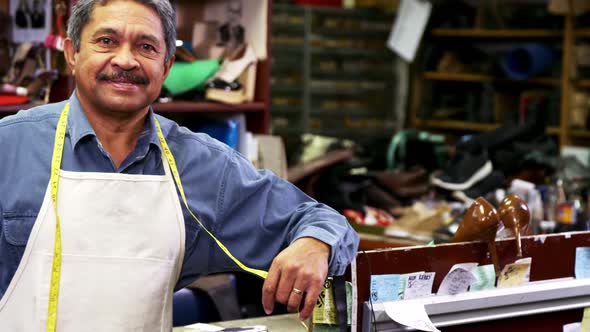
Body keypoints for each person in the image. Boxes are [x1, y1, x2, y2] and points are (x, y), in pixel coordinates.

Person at [0, 0, 359, 330]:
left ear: (167, 65)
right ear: (72, 53)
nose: (126, 60)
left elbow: (322, 220)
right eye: (107, 41)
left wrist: (316, 244)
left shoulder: (202, 167)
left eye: (146, 47)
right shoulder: (10, 146)